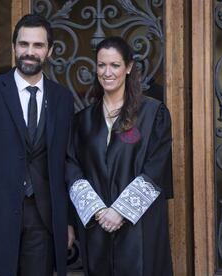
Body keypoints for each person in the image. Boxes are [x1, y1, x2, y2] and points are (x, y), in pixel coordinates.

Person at [0, 14, 75, 276]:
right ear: (13, 47)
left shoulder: (62, 99)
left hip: (43, 218)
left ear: (50, 50)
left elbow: (67, 163)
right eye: (24, 44)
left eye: (38, 46)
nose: (29, 52)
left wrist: (67, 221)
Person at [66, 37, 173, 276]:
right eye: (102, 65)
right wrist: (98, 211)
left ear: (129, 67)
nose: (107, 72)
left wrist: (121, 211)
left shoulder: (152, 114)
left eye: (114, 65)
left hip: (140, 227)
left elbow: (157, 165)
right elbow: (72, 165)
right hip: (98, 224)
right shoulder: (83, 121)